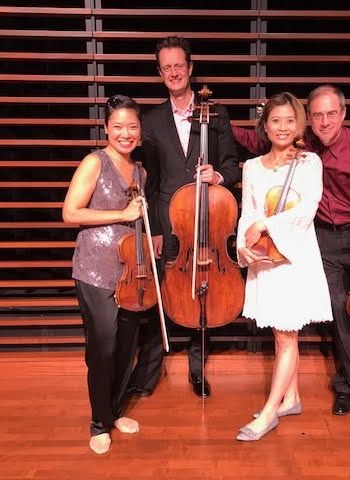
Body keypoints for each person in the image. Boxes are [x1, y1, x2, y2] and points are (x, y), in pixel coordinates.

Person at [231, 85, 350, 420]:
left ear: (343, 114)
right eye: (317, 115)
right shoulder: (302, 147)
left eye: (331, 113)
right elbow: (261, 140)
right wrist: (216, 119)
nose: (324, 121)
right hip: (319, 238)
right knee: (338, 308)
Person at [130, 36, 241, 398]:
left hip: (208, 219)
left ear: (190, 68)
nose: (174, 72)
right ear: (160, 73)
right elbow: (152, 179)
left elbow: (232, 167)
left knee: (203, 295)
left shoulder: (217, 113)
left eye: (180, 65)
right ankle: (147, 373)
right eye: (167, 67)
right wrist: (158, 229)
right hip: (170, 221)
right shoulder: (151, 120)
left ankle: (197, 367)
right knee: (161, 296)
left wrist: (219, 176)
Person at [235, 92, 332, 441]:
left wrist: (264, 226)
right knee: (279, 333)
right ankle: (291, 397)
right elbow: (247, 212)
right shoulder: (251, 167)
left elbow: (306, 211)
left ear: (299, 125)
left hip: (294, 260)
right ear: (265, 124)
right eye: (275, 120)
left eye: (290, 120)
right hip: (264, 259)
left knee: (288, 335)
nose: (282, 127)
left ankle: (269, 412)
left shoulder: (309, 163)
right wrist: (242, 247)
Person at [62, 95, 145, 455]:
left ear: (139, 131)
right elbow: (70, 213)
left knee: (127, 349)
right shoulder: (94, 162)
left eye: (132, 127)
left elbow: (136, 219)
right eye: (118, 127)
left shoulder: (140, 170)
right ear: (107, 129)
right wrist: (122, 215)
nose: (125, 133)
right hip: (95, 269)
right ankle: (98, 423)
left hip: (130, 272)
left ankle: (112, 413)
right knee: (102, 349)